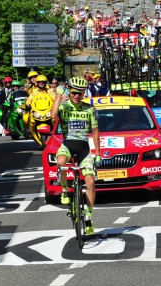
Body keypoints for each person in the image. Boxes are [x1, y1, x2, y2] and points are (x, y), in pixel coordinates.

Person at [51, 76, 101, 235]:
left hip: (83, 148)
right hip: (68, 144)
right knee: (60, 163)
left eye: (80, 93)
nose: (77, 96)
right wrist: (58, 96)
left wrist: (98, 154)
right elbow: (52, 116)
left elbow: (95, 132)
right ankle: (65, 190)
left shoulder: (89, 109)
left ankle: (88, 217)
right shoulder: (64, 106)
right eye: (73, 93)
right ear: (69, 91)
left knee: (91, 182)